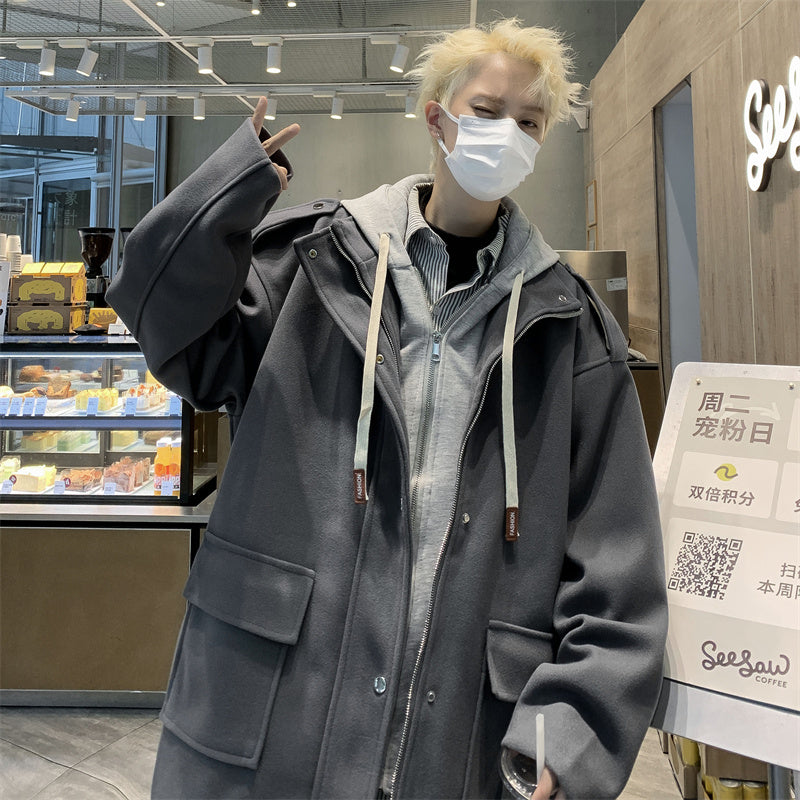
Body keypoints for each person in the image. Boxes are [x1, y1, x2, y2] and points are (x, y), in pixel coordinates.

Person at [108, 18, 668, 800]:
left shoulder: (572, 330)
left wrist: (566, 735)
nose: (507, 135)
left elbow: (618, 570)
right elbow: (169, 330)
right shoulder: (311, 265)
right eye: (486, 111)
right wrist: (222, 199)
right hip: (279, 720)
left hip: (461, 741)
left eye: (529, 122)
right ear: (436, 118)